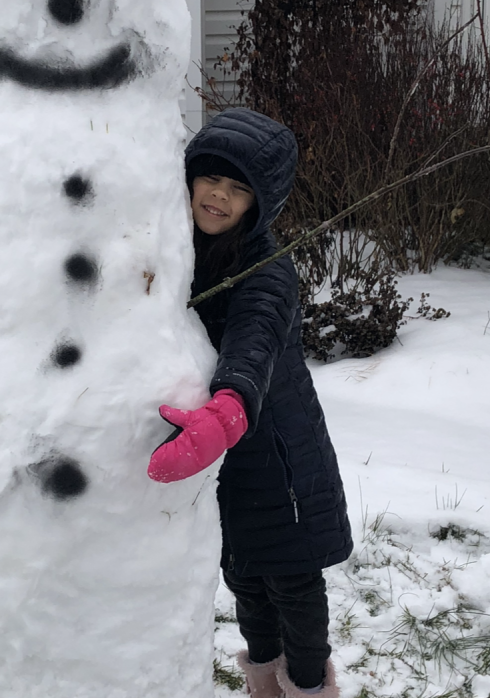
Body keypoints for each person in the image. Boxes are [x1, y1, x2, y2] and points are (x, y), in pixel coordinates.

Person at [147, 108, 353, 698]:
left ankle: (310, 685)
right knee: (242, 576)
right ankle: (265, 683)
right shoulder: (168, 247)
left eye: (239, 190)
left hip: (276, 451)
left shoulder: (266, 269)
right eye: (211, 179)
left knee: (290, 579)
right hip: (217, 451)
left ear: (258, 206)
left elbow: (254, 340)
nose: (219, 197)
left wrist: (229, 405)